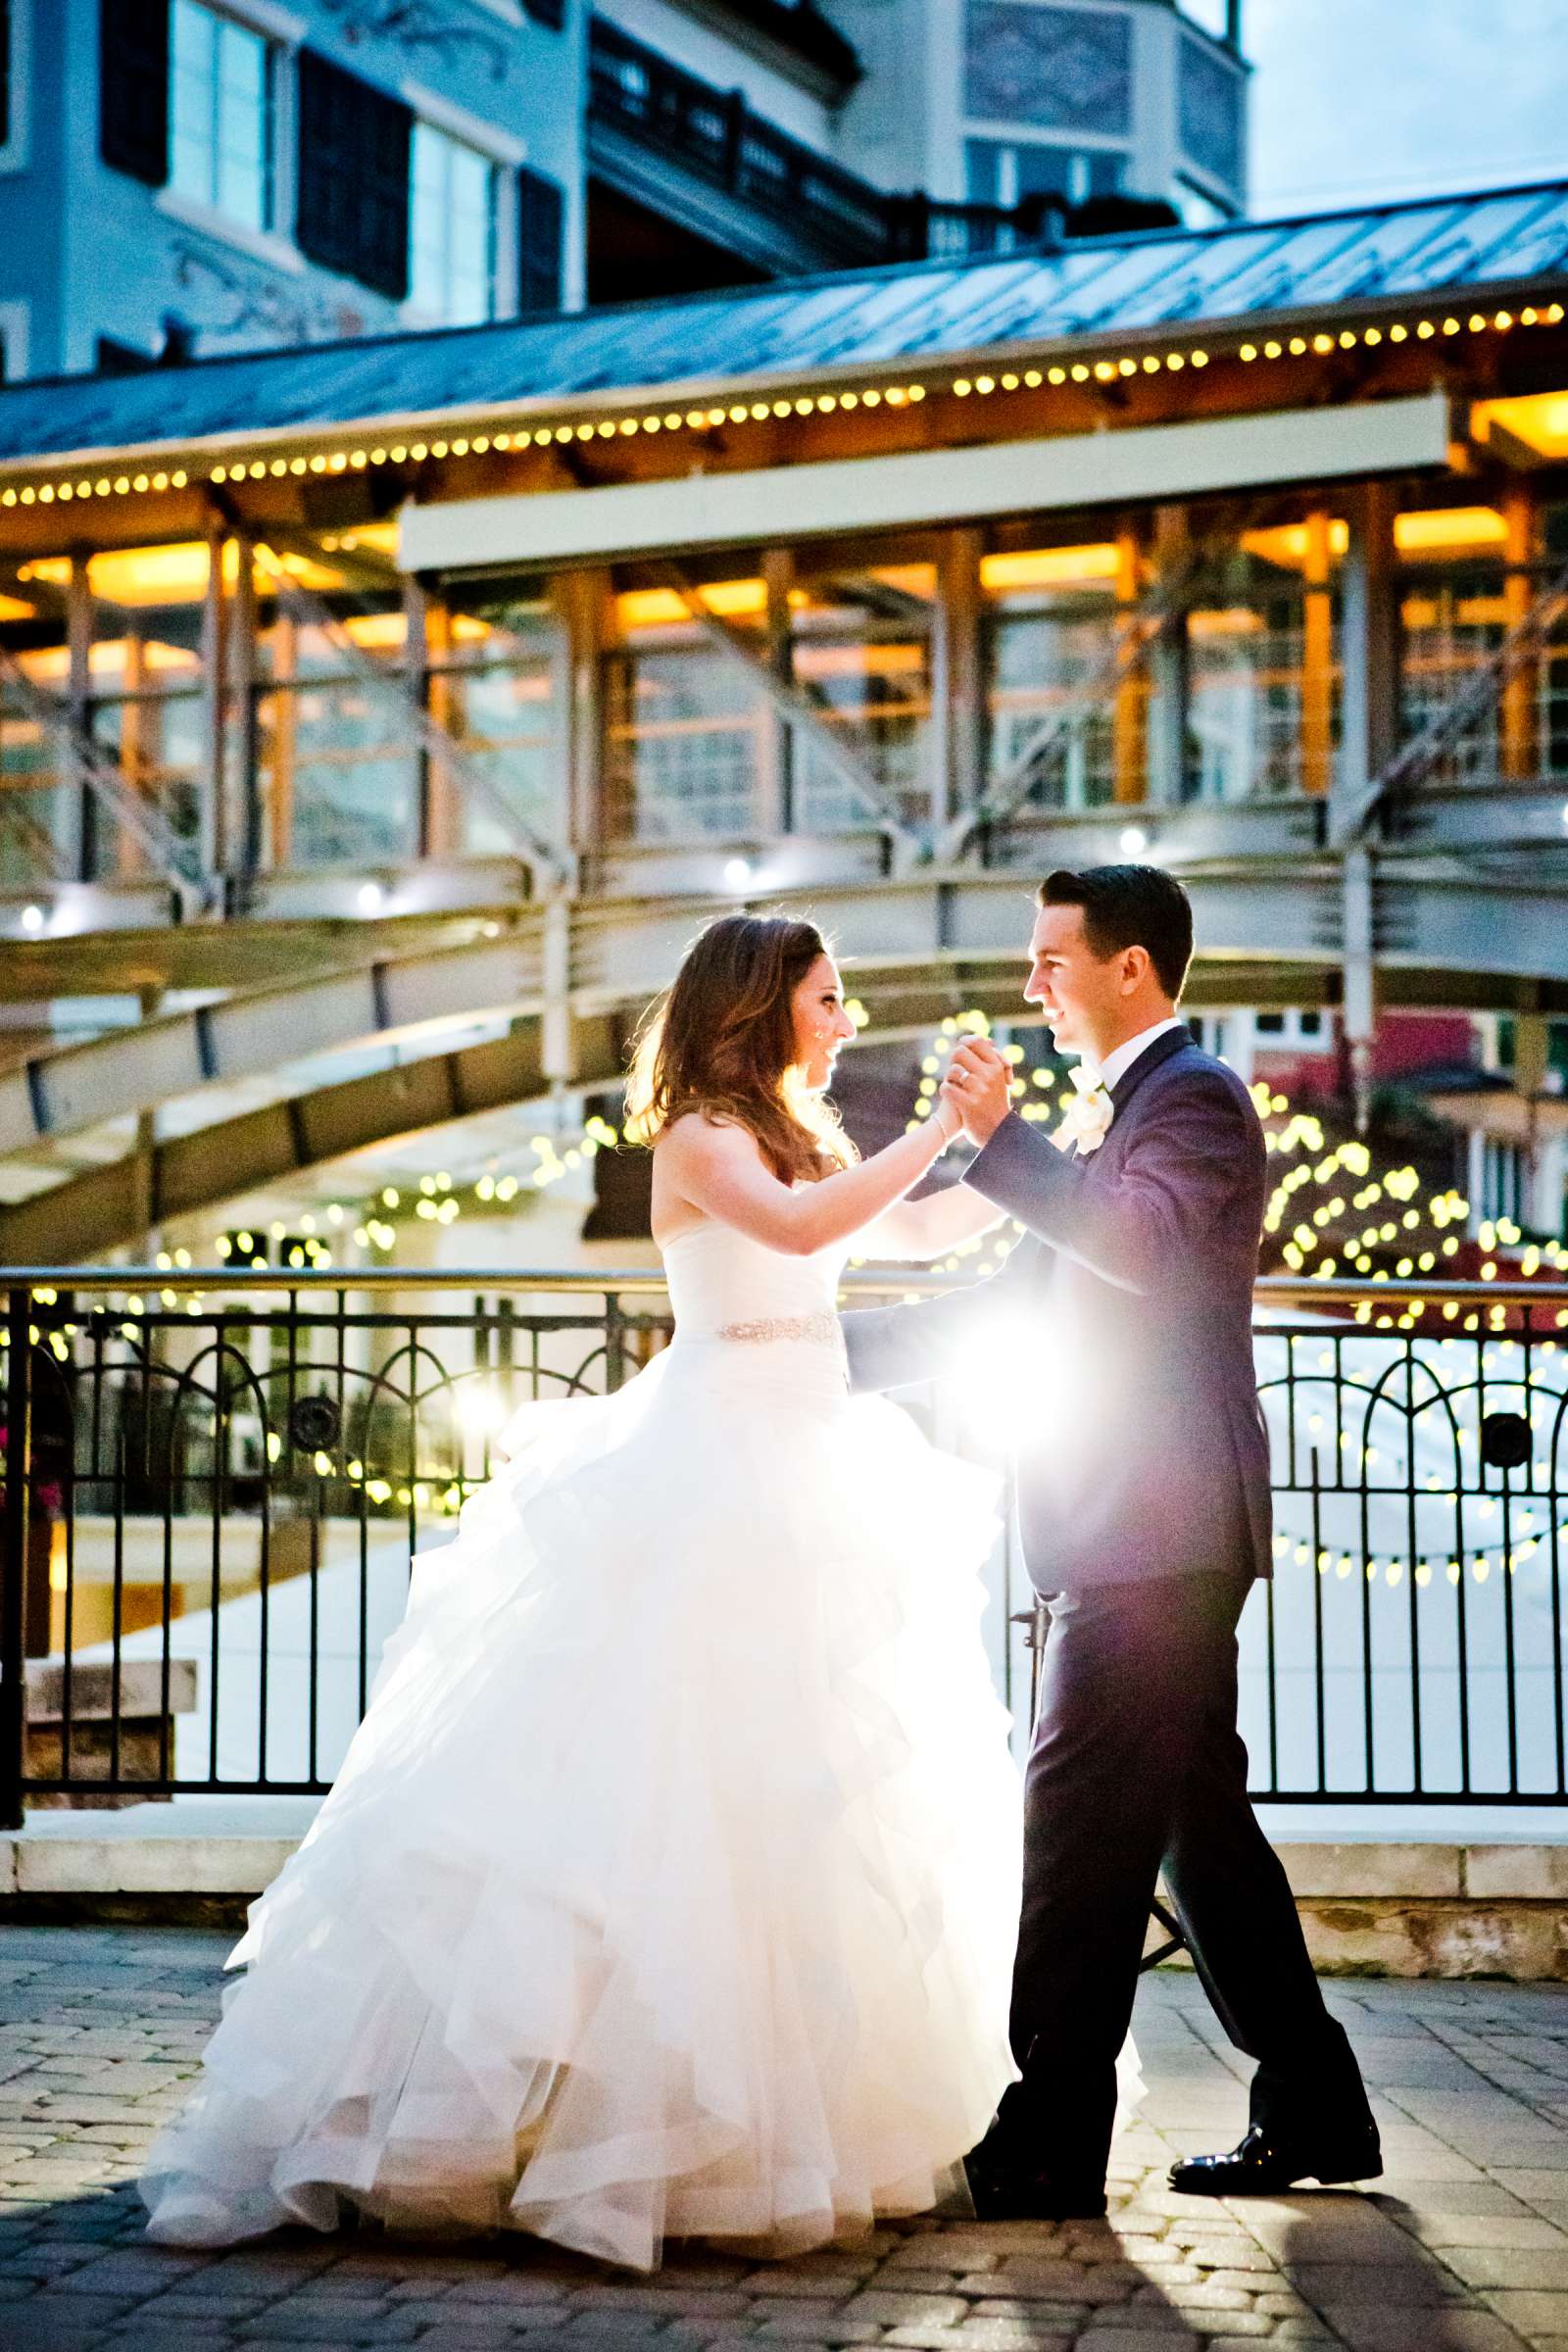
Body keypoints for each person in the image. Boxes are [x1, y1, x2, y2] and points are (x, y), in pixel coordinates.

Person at [139, 910, 1036, 2274]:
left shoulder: (800, 1130)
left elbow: (900, 1233)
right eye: (829, 998)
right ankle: (539, 2127)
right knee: (654, 1800)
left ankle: (746, 2139)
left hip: (809, 1465)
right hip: (714, 1469)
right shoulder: (698, 1138)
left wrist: (1011, 1154)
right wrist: (935, 1128)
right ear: (759, 1006)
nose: (846, 1019)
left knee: (785, 1803)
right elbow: (801, 1227)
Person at [843, 864, 1380, 2222]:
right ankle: (1315, 2104)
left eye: (1052, 961)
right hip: (1146, 1524)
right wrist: (805, 1354)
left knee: (1077, 1827)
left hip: (1153, 1529)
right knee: (1200, 1837)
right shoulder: (1128, 1113)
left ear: (1130, 969)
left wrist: (1005, 1145)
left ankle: (1048, 2137)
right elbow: (1007, 1302)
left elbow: (1133, 1248)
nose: (1032, 987)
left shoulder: (1190, 1099)